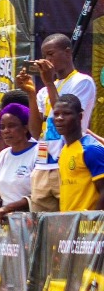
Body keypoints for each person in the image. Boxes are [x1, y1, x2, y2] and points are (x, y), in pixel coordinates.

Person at [17, 34, 97, 212]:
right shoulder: (43, 91)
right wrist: (31, 94)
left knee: (66, 221)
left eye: (51, 54)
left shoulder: (82, 81)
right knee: (42, 227)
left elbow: (64, 114)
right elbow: (35, 132)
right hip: (42, 164)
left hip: (67, 160)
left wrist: (48, 82)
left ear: (67, 53)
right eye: (44, 56)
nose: (47, 60)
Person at [52, 94, 104, 212]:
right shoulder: (64, 150)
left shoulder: (91, 149)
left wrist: (93, 222)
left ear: (80, 117)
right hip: (69, 224)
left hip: (87, 226)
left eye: (66, 113)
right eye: (56, 114)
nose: (59, 118)